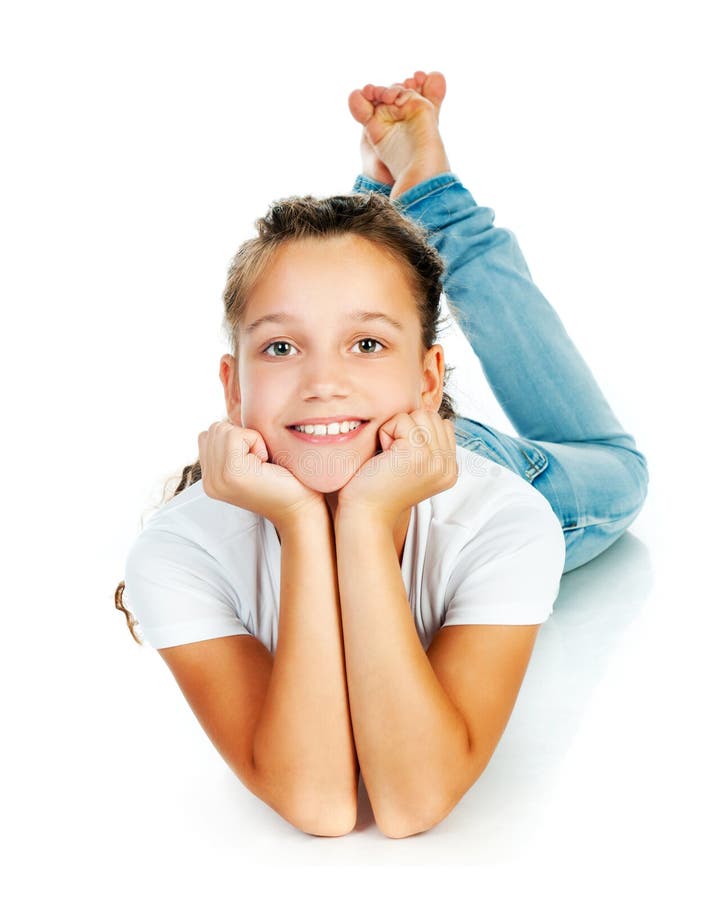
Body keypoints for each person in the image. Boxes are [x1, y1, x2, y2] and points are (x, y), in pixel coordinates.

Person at [115, 70, 648, 840]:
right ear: (233, 388)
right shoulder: (178, 548)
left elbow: (410, 803)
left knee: (617, 468)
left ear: (431, 377)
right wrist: (307, 524)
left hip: (430, 453)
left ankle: (431, 198)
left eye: (366, 344)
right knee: (357, 309)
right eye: (280, 346)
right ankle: (377, 231)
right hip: (320, 448)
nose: (323, 380)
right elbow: (322, 803)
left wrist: (362, 518)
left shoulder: (501, 516)